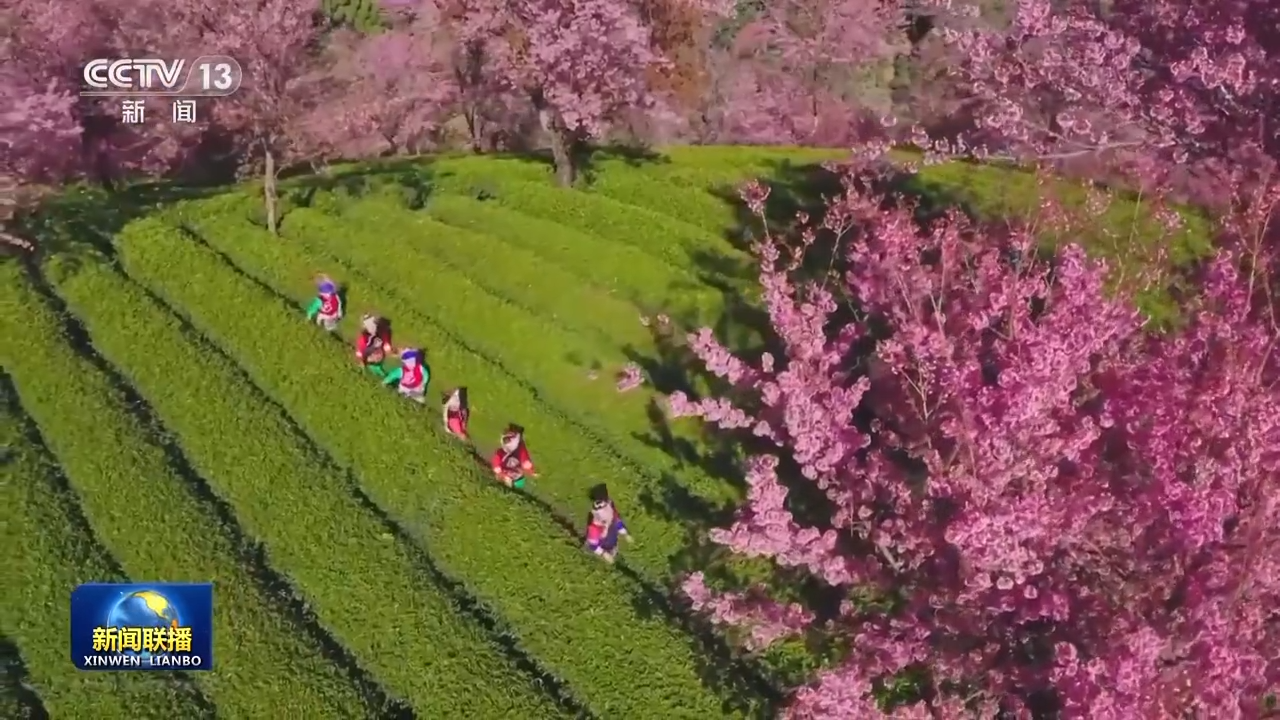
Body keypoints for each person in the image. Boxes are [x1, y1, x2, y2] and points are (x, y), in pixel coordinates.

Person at [584, 483, 631, 563]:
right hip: (603, 548)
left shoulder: (610, 511)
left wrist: (625, 534)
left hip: (612, 541)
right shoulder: (594, 528)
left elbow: (617, 521)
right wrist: (604, 554)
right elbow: (593, 545)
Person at [490, 424, 537, 489]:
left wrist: (531, 471)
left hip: (511, 452)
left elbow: (525, 461)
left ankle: (514, 433)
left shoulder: (518, 452)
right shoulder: (503, 453)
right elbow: (497, 462)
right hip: (512, 451)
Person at [355, 314, 394, 378]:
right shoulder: (363, 339)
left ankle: (378, 368)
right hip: (370, 358)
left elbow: (386, 344)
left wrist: (388, 350)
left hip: (378, 356)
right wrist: (362, 361)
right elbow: (360, 351)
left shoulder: (382, 333)